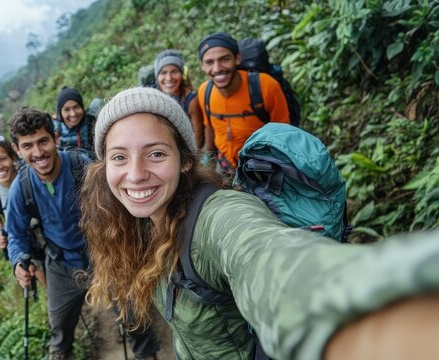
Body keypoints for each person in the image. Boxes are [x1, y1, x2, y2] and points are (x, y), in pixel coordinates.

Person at [79, 86, 439, 360]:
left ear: (185, 161)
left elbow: (271, 258)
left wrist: (371, 313)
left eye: (156, 153)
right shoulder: (142, 221)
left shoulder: (219, 217)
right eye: (119, 157)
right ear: (104, 167)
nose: (136, 174)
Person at [5, 108, 159, 360]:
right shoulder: (21, 188)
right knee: (60, 326)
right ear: (17, 150)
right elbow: (16, 233)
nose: (38, 152)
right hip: (61, 263)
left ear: (55, 138)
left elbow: (116, 201)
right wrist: (18, 261)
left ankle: (146, 353)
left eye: (43, 141)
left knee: (131, 312)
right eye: (28, 146)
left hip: (103, 252)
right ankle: (60, 354)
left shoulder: (81, 166)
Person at [197, 32, 290, 175]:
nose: (217, 68)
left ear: (237, 58)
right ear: (202, 66)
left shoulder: (266, 86)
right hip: (225, 165)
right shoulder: (205, 91)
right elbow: (209, 126)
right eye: (209, 62)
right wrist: (209, 161)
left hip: (262, 168)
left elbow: (285, 133)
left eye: (225, 59)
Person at [0, 135, 46, 287]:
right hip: (25, 239)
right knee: (40, 271)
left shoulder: (29, 177)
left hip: (47, 230)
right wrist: (2, 231)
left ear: (13, 157)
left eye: (3, 158)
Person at [154, 49, 204, 150]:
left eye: (174, 71)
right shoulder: (154, 99)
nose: (169, 78)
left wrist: (193, 158)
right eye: (163, 72)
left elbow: (198, 136)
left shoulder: (190, 100)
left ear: (182, 74)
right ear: (157, 77)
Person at [53, 86, 95, 157]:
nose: (73, 114)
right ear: (60, 112)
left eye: (76, 107)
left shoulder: (92, 123)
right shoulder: (54, 129)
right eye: (66, 109)